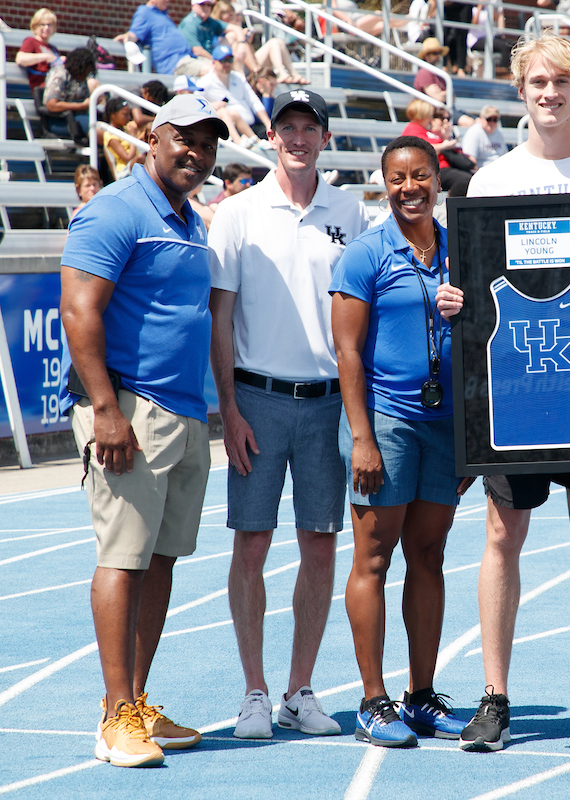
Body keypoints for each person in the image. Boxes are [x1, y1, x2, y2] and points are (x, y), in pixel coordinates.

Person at [436, 32, 570, 755]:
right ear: (520, 91)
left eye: (561, 81)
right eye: (536, 82)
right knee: (502, 534)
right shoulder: (493, 180)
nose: (549, 93)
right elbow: (473, 283)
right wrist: (454, 303)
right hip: (515, 387)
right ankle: (495, 699)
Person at [60, 94, 228, 769]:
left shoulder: (187, 219)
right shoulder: (115, 210)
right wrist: (106, 409)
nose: (196, 152)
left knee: (159, 559)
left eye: (208, 143)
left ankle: (135, 700)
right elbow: (78, 310)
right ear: (151, 139)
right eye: (184, 138)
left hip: (182, 413)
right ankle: (113, 715)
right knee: (124, 557)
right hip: (131, 411)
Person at [208, 88, 372, 741]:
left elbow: (364, 311)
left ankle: (299, 691)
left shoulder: (351, 211)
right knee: (251, 543)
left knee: (320, 544)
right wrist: (228, 410)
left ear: (325, 137)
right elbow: (220, 319)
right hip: (256, 399)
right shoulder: (238, 213)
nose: (298, 137)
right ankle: (253, 691)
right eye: (288, 127)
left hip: (329, 401)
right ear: (272, 137)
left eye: (310, 126)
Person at [329, 136, 470, 747]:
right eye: (396, 179)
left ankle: (419, 696)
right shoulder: (365, 254)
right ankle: (371, 700)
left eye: (419, 177)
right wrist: (362, 438)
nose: (409, 188)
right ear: (383, 184)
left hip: (444, 428)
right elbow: (348, 353)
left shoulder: (461, 253)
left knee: (430, 556)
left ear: (437, 179)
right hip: (385, 423)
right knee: (374, 559)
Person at [197, 44, 271, 144]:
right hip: (228, 129)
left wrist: (267, 124)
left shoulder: (239, 78)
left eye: (230, 60)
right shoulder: (204, 82)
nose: (227, 64)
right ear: (214, 62)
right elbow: (197, 105)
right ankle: (241, 141)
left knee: (270, 133)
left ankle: (254, 141)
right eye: (223, 61)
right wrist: (212, 105)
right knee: (227, 113)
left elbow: (254, 101)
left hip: (251, 127)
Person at [402, 98, 473, 197]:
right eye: (429, 115)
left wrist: (444, 138)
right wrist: (444, 145)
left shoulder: (425, 131)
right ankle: (453, 208)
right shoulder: (412, 129)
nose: (431, 119)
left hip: (442, 168)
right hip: (433, 170)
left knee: (472, 178)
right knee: (466, 180)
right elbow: (420, 150)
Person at [116, 0, 207, 77]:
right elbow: (134, 33)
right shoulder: (145, 12)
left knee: (218, 66)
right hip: (176, 65)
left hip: (191, 59)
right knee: (212, 71)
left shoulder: (163, 15)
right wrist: (128, 36)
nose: (167, 0)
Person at [42, 47, 98, 145]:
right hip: (62, 120)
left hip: (82, 117)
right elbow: (51, 105)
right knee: (99, 132)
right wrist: (81, 106)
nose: (86, 74)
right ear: (78, 66)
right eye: (85, 71)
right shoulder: (61, 75)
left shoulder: (81, 78)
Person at [16, 8, 61, 106]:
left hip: (55, 89)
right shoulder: (31, 41)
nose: (46, 28)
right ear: (35, 26)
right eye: (42, 25)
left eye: (50, 25)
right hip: (42, 91)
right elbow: (20, 59)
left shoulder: (53, 49)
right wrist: (45, 57)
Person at [103, 97, 140, 181]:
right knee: (140, 158)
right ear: (113, 115)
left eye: (129, 114)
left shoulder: (126, 129)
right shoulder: (110, 135)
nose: (129, 117)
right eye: (125, 114)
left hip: (135, 165)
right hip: (124, 171)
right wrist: (133, 136)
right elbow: (127, 158)